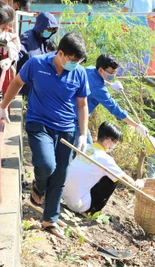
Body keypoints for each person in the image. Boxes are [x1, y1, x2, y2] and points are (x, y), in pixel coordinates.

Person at [0, 32, 90, 239]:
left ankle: (50, 220)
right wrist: (3, 106)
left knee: (60, 175)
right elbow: (16, 83)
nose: (75, 65)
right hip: (38, 122)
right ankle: (38, 188)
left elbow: (82, 104)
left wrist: (83, 134)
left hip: (66, 128)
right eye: (73, 60)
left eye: (79, 61)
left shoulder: (79, 73)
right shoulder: (36, 64)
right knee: (47, 165)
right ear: (60, 53)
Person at [64, 122, 144, 214]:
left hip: (64, 196)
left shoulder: (85, 147)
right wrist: (137, 183)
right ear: (108, 140)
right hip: (79, 205)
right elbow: (124, 178)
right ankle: (92, 210)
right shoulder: (105, 159)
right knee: (114, 179)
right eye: (115, 142)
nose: (114, 146)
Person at [74, 53, 148, 146]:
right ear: (101, 69)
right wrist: (136, 126)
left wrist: (110, 84)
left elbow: (96, 80)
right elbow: (115, 108)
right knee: (88, 151)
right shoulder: (99, 90)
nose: (113, 75)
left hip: (74, 115)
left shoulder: (90, 69)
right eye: (111, 73)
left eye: (114, 73)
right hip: (76, 120)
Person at [17, 12, 58, 96]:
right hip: (24, 82)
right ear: (41, 26)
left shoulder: (45, 41)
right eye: (48, 29)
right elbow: (20, 50)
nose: (49, 32)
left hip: (37, 85)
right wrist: (13, 58)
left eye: (52, 31)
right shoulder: (28, 37)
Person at [0, 2, 20, 71]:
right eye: (5, 24)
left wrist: (10, 60)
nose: (8, 27)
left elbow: (17, 50)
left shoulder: (4, 34)